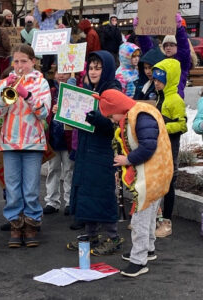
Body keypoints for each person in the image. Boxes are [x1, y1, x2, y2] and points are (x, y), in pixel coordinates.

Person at [96, 89, 173, 277]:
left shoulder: (140, 117)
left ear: (118, 108)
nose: (112, 120)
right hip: (159, 172)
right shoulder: (139, 112)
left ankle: (139, 261)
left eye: (111, 115)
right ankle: (148, 249)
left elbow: (148, 146)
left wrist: (127, 160)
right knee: (150, 213)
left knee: (140, 217)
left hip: (151, 175)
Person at [0, 44, 51, 248]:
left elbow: (43, 113)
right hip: (9, 143)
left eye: (24, 61)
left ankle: (32, 224)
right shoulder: (5, 84)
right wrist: (5, 92)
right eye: (15, 61)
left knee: (31, 188)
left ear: (33, 61)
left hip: (33, 142)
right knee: (13, 188)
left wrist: (27, 95)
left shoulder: (41, 83)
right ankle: (16, 224)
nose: (19, 65)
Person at [67, 50, 124, 256]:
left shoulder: (112, 91)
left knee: (102, 192)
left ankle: (112, 236)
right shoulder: (86, 90)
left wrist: (94, 118)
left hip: (103, 150)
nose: (93, 71)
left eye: (98, 67)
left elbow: (115, 126)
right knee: (86, 191)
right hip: (85, 148)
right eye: (91, 67)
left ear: (106, 68)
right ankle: (91, 235)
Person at [152, 58, 187, 238]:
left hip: (170, 147)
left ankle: (166, 222)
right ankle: (155, 219)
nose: (156, 83)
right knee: (158, 182)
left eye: (160, 80)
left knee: (169, 183)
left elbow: (182, 125)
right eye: (155, 80)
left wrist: (163, 127)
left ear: (170, 79)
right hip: (158, 147)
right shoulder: (159, 98)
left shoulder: (175, 100)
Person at [43, 71, 76, 215]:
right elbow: (44, 111)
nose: (61, 75)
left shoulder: (75, 91)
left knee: (69, 171)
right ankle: (52, 201)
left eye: (66, 73)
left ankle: (70, 201)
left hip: (68, 138)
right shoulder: (51, 92)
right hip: (54, 138)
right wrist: (52, 110)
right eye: (58, 72)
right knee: (53, 170)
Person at [33, 4, 65, 77]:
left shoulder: (53, 17)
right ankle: (45, 72)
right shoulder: (41, 18)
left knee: (52, 58)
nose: (50, 13)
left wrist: (64, 4)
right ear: (45, 12)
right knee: (46, 58)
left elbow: (60, 12)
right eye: (48, 11)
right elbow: (36, 14)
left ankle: (47, 69)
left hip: (52, 39)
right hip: (45, 40)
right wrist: (37, 6)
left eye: (51, 11)